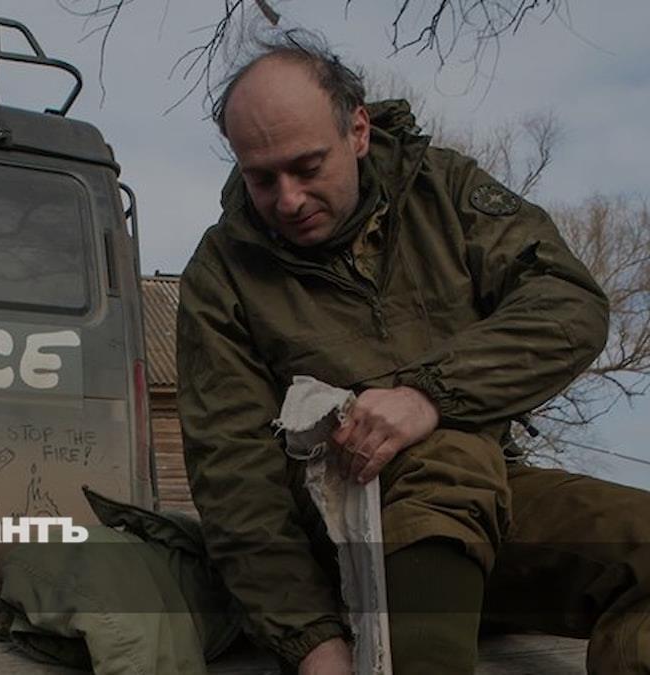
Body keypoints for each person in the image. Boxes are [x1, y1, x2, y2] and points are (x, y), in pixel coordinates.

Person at [176, 31, 650, 674]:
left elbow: (568, 304)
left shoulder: (444, 190)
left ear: (358, 131)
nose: (288, 200)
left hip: (485, 503)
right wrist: (309, 639)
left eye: (308, 168)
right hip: (337, 532)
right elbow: (234, 478)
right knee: (448, 454)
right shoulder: (221, 274)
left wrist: (429, 395)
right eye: (262, 178)